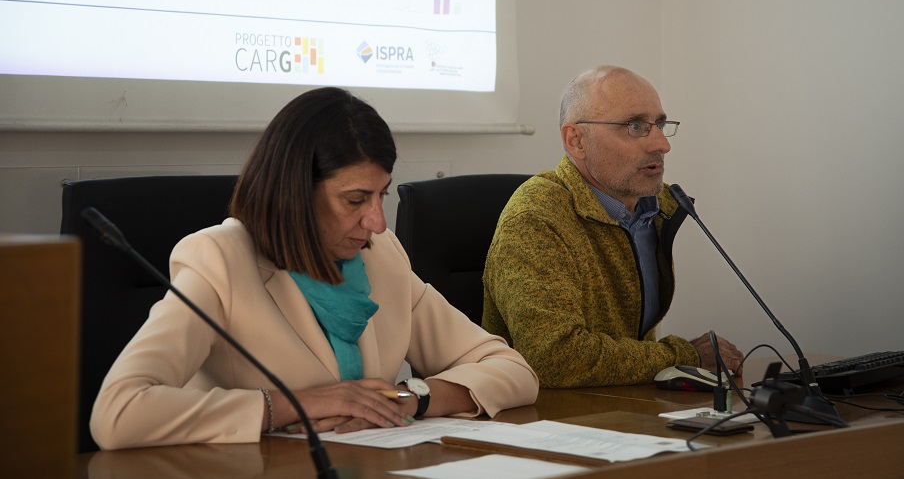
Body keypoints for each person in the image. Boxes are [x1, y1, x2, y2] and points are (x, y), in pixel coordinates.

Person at [91, 87, 538, 450]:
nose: (377, 222)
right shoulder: (219, 261)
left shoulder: (380, 255)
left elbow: (510, 369)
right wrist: (296, 405)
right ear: (295, 194)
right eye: (355, 200)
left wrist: (408, 398)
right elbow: (118, 412)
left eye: (380, 195)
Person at [482, 65, 743, 388]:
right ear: (576, 140)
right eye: (635, 126)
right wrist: (684, 356)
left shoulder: (658, 208)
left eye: (660, 124)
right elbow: (555, 358)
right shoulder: (535, 218)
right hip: (547, 411)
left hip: (631, 402)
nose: (662, 144)